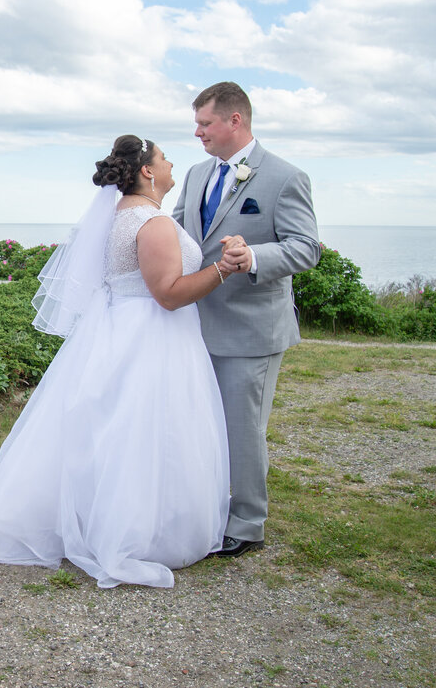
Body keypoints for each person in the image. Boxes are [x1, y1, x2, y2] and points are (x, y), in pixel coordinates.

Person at [0, 135, 235, 589]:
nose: (173, 162)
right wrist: (222, 270)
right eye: (165, 157)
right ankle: (139, 534)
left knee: (117, 431)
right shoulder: (152, 222)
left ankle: (98, 518)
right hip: (153, 335)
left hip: (122, 329)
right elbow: (169, 294)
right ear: (148, 172)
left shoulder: (120, 216)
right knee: (148, 432)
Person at [172, 82, 320, 558]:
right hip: (194, 323)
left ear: (235, 120)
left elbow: (305, 248)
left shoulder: (285, 177)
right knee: (200, 423)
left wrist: (253, 255)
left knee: (242, 427)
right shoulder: (196, 175)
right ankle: (208, 507)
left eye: (205, 123)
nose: (197, 133)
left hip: (251, 328)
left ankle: (247, 522)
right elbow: (178, 232)